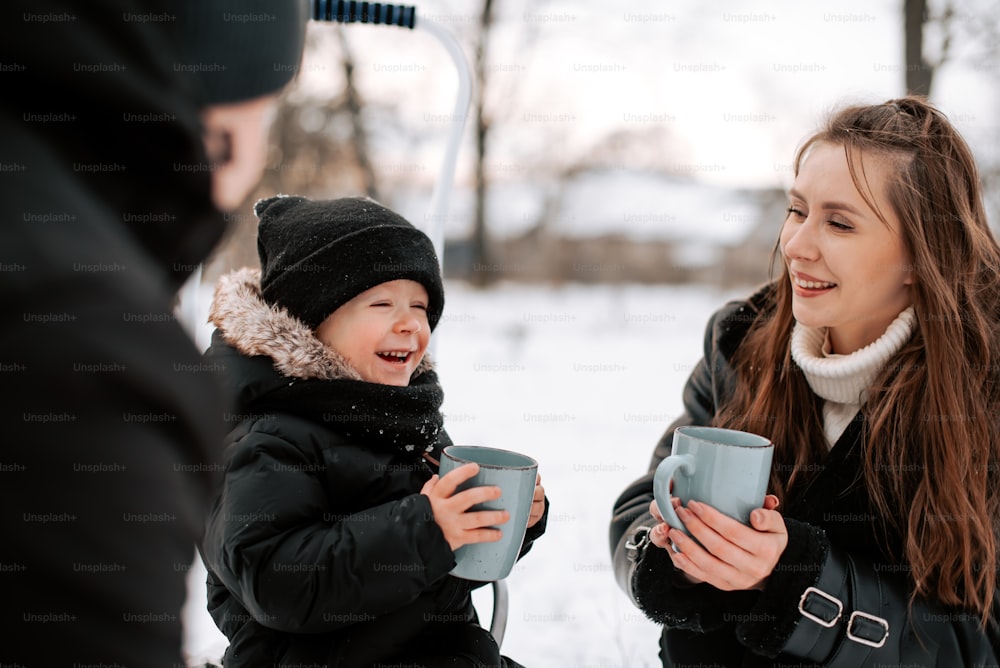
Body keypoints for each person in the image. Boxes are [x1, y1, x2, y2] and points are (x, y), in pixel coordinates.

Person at [609, 96, 1000, 667]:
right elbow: (638, 510)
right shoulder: (738, 348)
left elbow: (979, 647)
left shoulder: (982, 389)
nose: (796, 245)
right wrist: (677, 549)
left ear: (922, 254)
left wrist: (799, 583)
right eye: (797, 210)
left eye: (839, 222)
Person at [0, 1, 306, 664]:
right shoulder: (86, 353)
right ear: (225, 124)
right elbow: (268, 573)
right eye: (268, 108)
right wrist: (420, 531)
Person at [199, 195, 549, 667]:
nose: (410, 324)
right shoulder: (267, 439)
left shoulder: (403, 415)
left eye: (421, 306)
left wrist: (497, 522)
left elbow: (437, 568)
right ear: (312, 320)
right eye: (382, 303)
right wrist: (427, 529)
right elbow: (278, 582)